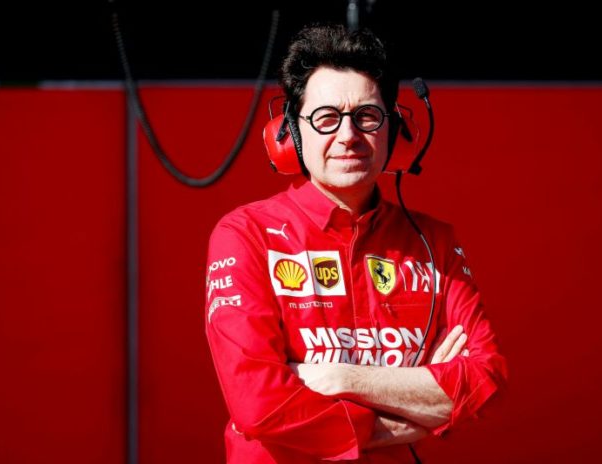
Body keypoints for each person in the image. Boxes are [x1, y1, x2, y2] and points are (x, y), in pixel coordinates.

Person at [205, 23, 507, 463]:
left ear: (395, 129)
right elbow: (259, 405)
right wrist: (409, 411)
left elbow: (486, 379)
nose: (348, 135)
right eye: (326, 117)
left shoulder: (434, 241)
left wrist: (344, 377)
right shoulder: (245, 234)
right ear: (291, 131)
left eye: (366, 116)